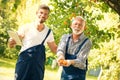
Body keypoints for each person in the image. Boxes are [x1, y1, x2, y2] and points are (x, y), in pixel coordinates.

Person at [8, 4, 57, 80]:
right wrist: (11, 42)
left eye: (45, 14)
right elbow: (12, 43)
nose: (43, 15)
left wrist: (65, 53)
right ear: (36, 13)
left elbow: (54, 48)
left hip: (38, 66)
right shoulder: (26, 27)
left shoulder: (48, 32)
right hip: (24, 62)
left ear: (47, 16)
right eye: (41, 12)